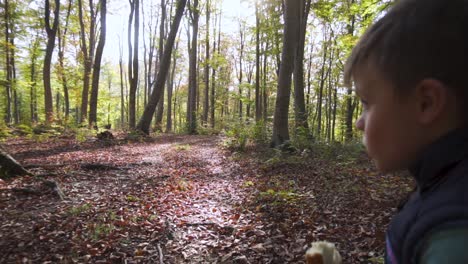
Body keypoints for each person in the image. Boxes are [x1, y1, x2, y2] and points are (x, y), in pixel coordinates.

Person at [343, 0, 468, 263]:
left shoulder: (452, 237)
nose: (359, 123)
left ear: (426, 103)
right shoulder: (442, 186)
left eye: (366, 103)